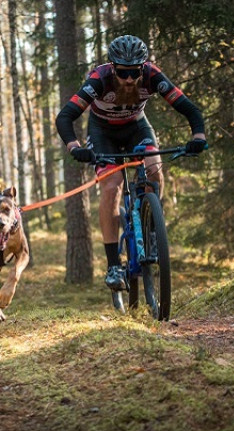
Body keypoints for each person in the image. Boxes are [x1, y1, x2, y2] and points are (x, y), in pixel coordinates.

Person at [56, 34, 207, 291]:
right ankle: (114, 265)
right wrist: (75, 147)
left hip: (137, 127)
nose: (129, 79)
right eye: (123, 72)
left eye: (134, 72)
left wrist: (198, 137)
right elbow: (65, 116)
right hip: (103, 132)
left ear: (142, 68)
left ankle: (151, 228)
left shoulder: (152, 76)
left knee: (153, 169)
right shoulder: (99, 79)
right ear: (113, 68)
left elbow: (190, 109)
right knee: (112, 185)